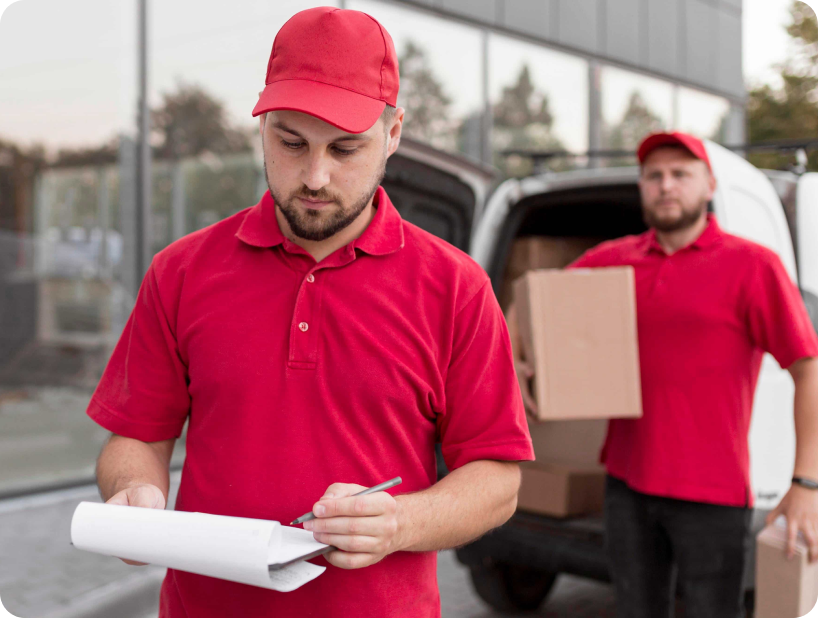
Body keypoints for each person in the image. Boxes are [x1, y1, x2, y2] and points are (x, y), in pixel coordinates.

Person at [88, 7, 534, 618]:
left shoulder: (457, 288)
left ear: (395, 132)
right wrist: (133, 491)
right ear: (262, 123)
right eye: (290, 142)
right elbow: (136, 433)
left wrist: (400, 522)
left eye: (346, 148)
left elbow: (497, 479)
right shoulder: (182, 271)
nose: (315, 176)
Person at [514, 131, 818, 618]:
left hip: (714, 494)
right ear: (642, 187)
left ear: (709, 183)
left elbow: (810, 370)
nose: (666, 185)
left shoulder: (752, 265)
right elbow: (532, 301)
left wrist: (806, 484)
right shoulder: (616, 259)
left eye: (681, 174)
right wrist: (517, 354)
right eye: (653, 176)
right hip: (626, 485)